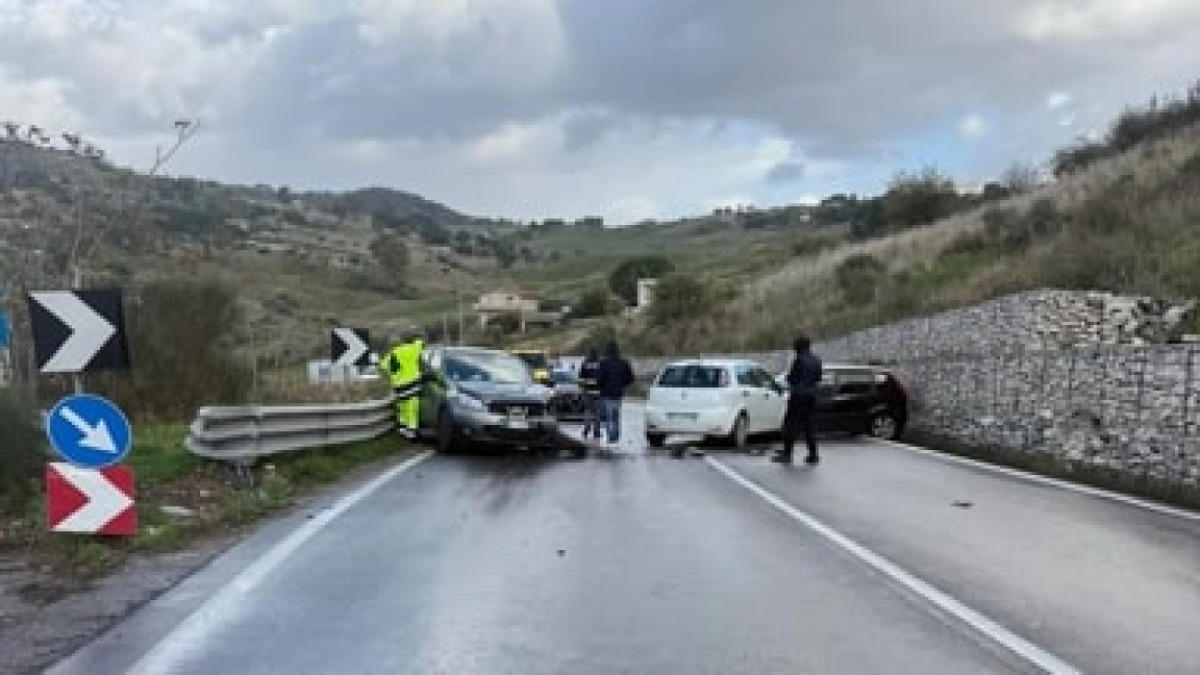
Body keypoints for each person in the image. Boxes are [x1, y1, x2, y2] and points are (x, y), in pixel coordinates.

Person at [776, 335, 823, 465]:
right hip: (811, 396)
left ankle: (787, 454)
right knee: (809, 426)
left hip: (798, 395)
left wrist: (792, 382)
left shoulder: (799, 360)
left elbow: (791, 378)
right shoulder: (817, 360)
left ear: (799, 346)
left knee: (790, 424)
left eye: (795, 346)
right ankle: (813, 455)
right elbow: (818, 379)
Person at [381, 329, 424, 439]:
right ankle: (412, 430)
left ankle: (403, 429)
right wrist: (417, 335)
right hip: (413, 384)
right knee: (412, 407)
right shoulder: (411, 350)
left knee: (403, 408)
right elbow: (419, 344)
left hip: (399, 387)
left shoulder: (390, 356)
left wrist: (394, 375)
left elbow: (383, 367)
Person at [595, 341, 634, 447]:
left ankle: (611, 436)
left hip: (606, 393)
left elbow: (599, 378)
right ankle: (616, 437)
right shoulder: (624, 362)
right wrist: (622, 384)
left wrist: (600, 388)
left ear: (607, 350)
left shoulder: (603, 363)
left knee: (609, 416)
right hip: (618, 393)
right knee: (616, 415)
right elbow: (631, 378)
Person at [577, 348, 602, 440]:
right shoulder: (600, 364)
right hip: (598, 391)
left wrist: (582, 387)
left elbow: (580, 378)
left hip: (587, 391)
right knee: (597, 412)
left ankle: (586, 429)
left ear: (589, 354)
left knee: (588, 410)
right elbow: (603, 377)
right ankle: (596, 432)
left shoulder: (585, 363)